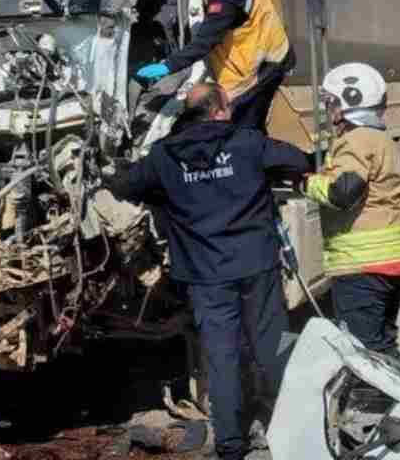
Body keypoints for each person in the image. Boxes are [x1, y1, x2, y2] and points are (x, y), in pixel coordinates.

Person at [105, 82, 311, 460]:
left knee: (222, 356)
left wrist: (161, 193)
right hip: (257, 265)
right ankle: (293, 428)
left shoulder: (164, 156)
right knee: (272, 347)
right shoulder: (248, 143)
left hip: (206, 274)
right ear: (220, 109)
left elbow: (122, 184)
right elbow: (299, 161)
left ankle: (231, 446)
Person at [301, 63, 400, 362]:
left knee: (364, 358)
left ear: (347, 103)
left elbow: (344, 192)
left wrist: (306, 183)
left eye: (331, 102)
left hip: (363, 265)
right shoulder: (382, 139)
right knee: (384, 348)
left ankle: (377, 408)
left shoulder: (354, 139)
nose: (329, 109)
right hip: (393, 261)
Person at [134, 0, 296, 132]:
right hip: (247, 42)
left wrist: (168, 66)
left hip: (264, 60)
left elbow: (204, 43)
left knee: (240, 124)